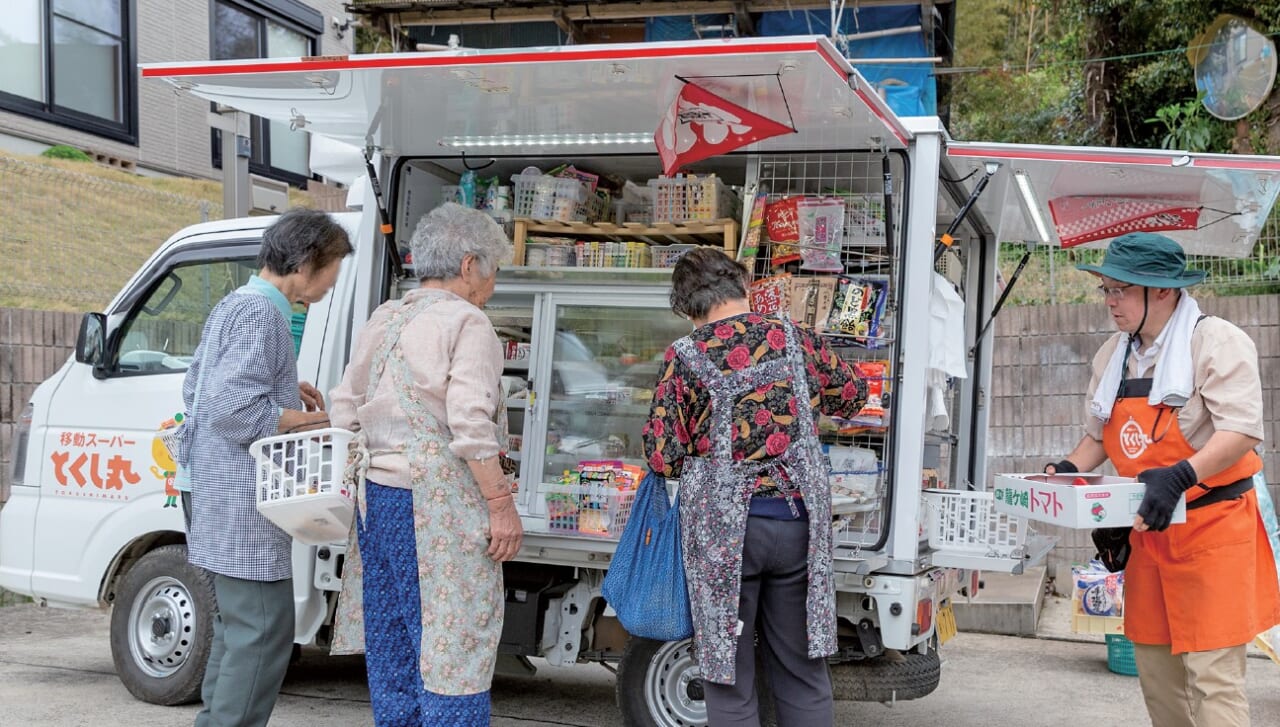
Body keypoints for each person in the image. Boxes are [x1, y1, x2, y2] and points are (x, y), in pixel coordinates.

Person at [1045, 232, 1280, 727]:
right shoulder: (1114, 355)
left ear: (1164, 291)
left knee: (1213, 678)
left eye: (1121, 289)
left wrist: (1181, 475)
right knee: (1156, 673)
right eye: (1106, 289)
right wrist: (1064, 472)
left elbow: (1241, 430)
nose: (1110, 301)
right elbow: (1098, 436)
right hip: (1150, 536)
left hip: (1214, 531)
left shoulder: (1215, 342)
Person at [642, 247, 869, 726]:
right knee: (803, 671)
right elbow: (852, 394)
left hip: (725, 539)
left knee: (728, 678)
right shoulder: (795, 338)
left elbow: (662, 454)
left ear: (685, 307)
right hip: (796, 526)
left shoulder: (685, 356)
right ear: (744, 286)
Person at [328, 202, 522, 726]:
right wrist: (500, 504)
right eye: (493, 271)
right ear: (469, 265)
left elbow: (344, 408)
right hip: (438, 509)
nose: (492, 284)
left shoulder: (385, 316)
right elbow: (470, 424)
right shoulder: (468, 321)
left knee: (393, 640)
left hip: (378, 501)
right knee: (452, 643)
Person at [180, 208, 352, 727]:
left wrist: (282, 389)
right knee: (264, 626)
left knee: (239, 627)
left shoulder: (237, 302)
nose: (331, 286)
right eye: (331, 273)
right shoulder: (263, 314)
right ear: (305, 263)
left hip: (210, 484)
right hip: (238, 492)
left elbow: (197, 388)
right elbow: (230, 407)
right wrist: (298, 418)